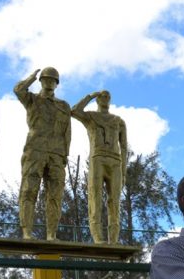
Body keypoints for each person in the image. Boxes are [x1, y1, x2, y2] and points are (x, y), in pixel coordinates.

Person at [14, 67, 71, 241]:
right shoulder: (32, 99)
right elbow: (18, 90)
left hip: (56, 153)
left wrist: (65, 155)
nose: (49, 82)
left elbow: (67, 132)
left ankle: (51, 234)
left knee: (55, 195)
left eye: (53, 80)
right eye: (45, 79)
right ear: (41, 81)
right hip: (35, 150)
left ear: (56, 83)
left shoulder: (63, 106)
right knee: (29, 190)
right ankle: (27, 232)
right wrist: (31, 77)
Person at [71, 90, 128, 244]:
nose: (105, 99)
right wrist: (90, 96)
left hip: (115, 161)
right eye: (102, 96)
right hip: (98, 159)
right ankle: (98, 238)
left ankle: (114, 239)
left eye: (108, 96)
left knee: (115, 200)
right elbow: (75, 111)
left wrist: (124, 171)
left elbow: (123, 147)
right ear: (98, 99)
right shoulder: (90, 117)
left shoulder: (118, 121)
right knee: (95, 197)